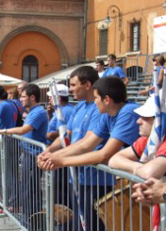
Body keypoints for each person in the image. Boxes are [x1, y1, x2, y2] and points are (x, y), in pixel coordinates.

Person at [39, 75, 140, 231]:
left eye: (96, 98)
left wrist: (60, 162)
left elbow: (103, 154)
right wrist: (53, 156)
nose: (95, 102)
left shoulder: (127, 113)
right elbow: (86, 144)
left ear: (106, 99)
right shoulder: (108, 115)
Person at [0, 84, 49, 229]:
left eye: (23, 96)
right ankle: (28, 219)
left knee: (30, 190)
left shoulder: (38, 112)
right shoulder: (33, 111)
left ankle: (31, 221)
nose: (20, 99)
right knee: (27, 188)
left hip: (34, 154)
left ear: (32, 97)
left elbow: (24, 130)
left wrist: (1, 132)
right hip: (28, 153)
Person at [108, 95, 166, 179]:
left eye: (145, 117)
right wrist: (138, 168)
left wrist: (135, 169)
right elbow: (113, 160)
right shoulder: (146, 139)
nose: (138, 121)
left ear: (161, 120)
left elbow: (149, 172)